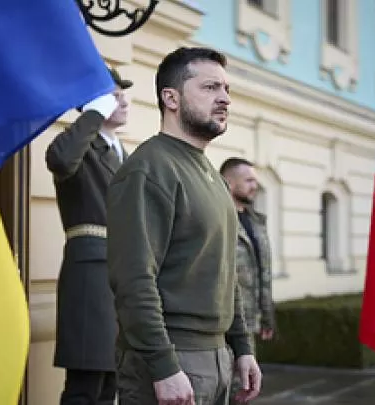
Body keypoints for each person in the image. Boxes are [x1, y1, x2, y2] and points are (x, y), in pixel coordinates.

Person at [106, 46, 262, 405]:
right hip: (172, 360)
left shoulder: (212, 174)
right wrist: (163, 366)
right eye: (210, 87)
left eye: (226, 89)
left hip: (218, 357)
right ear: (171, 98)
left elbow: (225, 273)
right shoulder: (148, 169)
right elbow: (133, 280)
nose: (224, 99)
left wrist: (242, 347)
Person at [45, 66, 133, 405]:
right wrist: (93, 114)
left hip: (123, 274)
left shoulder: (124, 153)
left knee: (111, 383)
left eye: (123, 94)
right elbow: (60, 160)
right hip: (92, 274)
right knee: (86, 384)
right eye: (113, 95)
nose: (123, 100)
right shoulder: (80, 146)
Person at [220, 158, 276, 404]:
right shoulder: (219, 218)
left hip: (250, 322)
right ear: (229, 182)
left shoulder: (256, 221)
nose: (255, 186)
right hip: (225, 322)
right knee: (228, 390)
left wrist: (267, 314)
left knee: (245, 388)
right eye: (249, 180)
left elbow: (264, 271)